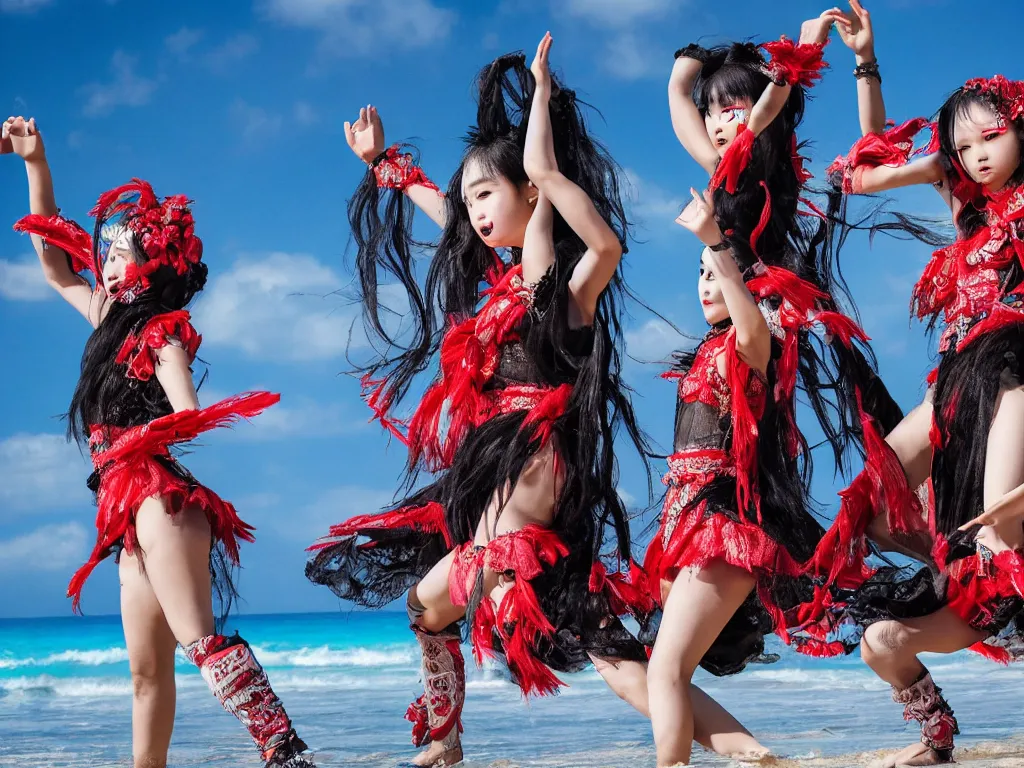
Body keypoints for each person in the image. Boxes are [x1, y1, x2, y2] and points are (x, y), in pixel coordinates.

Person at [3, 115, 315, 768]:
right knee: (147, 673)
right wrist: (36, 163)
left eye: (121, 253)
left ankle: (285, 752)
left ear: (152, 268)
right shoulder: (103, 318)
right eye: (108, 251)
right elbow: (57, 268)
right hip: (121, 507)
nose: (108, 261)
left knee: (198, 642)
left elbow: (188, 408)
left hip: (156, 497)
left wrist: (153, 419)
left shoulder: (161, 331)